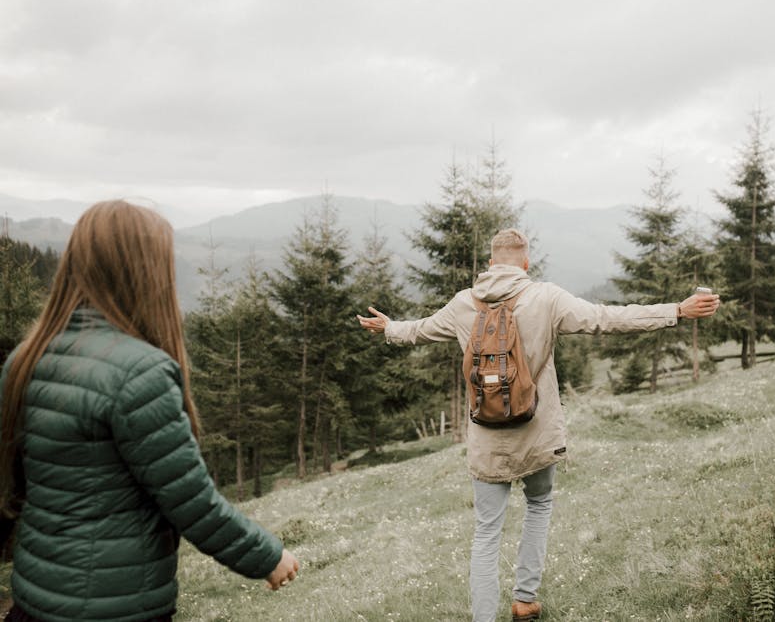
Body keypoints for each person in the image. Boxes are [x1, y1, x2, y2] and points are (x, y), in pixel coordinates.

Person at [357, 228, 720, 622]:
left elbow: (418, 330)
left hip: (487, 439)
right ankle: (525, 601)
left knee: (486, 533)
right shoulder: (546, 297)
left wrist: (388, 327)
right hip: (537, 431)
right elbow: (605, 319)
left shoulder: (463, 304)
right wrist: (677, 311)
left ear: (490, 264)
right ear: (525, 263)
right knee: (539, 503)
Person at [0, 200, 299, 622]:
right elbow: (191, 501)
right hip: (114, 608)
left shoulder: (25, 360)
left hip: (32, 603)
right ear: (143, 272)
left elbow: (12, 491)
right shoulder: (141, 375)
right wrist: (268, 557)